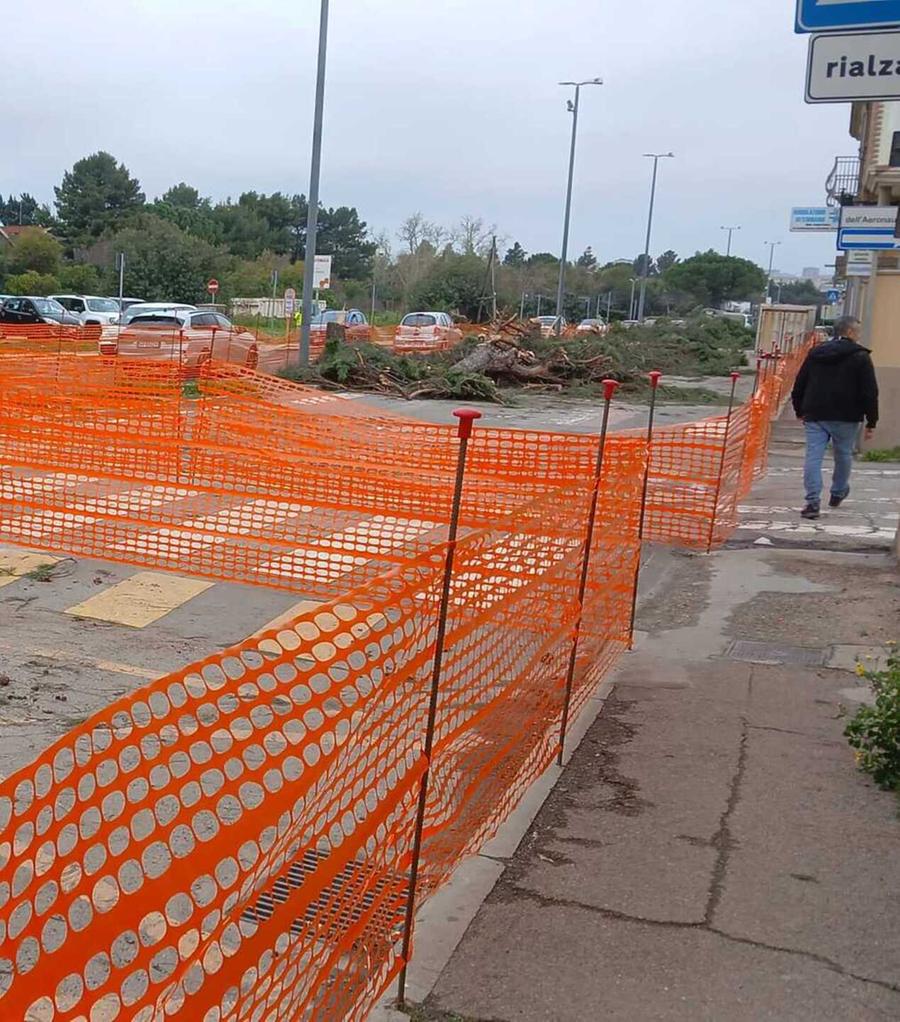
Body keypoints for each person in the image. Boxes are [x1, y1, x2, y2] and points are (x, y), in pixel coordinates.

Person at [791, 315, 879, 520]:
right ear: (849, 332)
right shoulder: (861, 357)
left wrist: (799, 409)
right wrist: (872, 421)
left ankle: (812, 501)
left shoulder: (816, 353)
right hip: (847, 415)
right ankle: (838, 491)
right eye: (857, 331)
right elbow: (869, 392)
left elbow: (800, 382)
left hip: (815, 413)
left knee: (813, 457)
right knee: (843, 454)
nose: (859, 335)